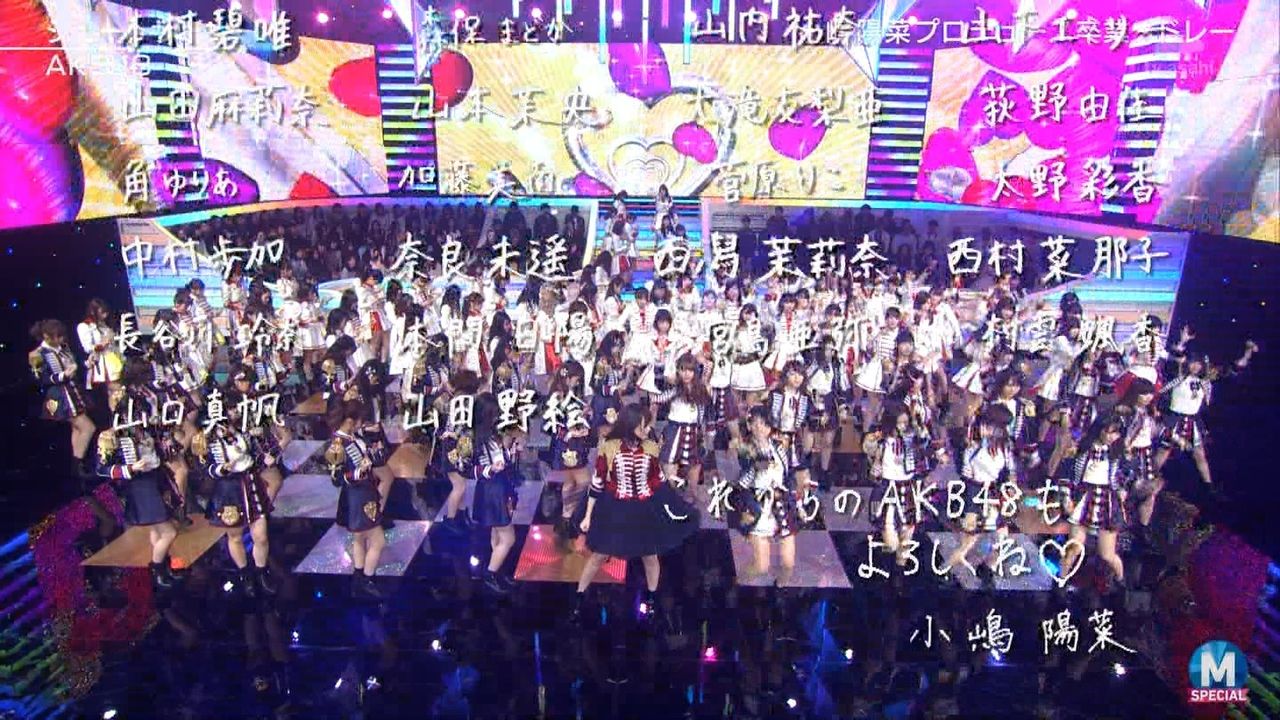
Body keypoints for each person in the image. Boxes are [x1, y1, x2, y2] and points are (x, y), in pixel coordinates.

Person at [572, 404, 698, 622]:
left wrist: (675, 505)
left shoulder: (650, 447)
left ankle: (652, 598)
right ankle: (579, 596)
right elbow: (598, 481)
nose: (648, 429)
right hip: (615, 507)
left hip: (644, 507)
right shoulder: (609, 447)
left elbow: (658, 480)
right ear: (631, 426)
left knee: (650, 555)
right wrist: (588, 515)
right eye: (644, 426)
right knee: (599, 554)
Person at [326, 400, 388, 599]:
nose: (362, 423)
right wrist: (359, 472)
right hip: (358, 497)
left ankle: (359, 577)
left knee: (359, 538)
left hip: (365, 492)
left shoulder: (352, 437)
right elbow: (336, 479)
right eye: (360, 420)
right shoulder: (338, 445)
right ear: (350, 421)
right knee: (378, 540)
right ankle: (367, 579)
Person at [734, 405, 799, 587]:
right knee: (761, 566)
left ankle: (780, 590)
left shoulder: (779, 447)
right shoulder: (745, 448)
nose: (759, 428)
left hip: (781, 504)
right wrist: (756, 467)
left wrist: (796, 500)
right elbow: (743, 481)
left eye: (763, 424)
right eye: (755, 424)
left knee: (788, 564)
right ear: (749, 425)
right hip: (757, 506)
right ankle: (738, 583)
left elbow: (788, 474)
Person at [470, 393, 521, 594]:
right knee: (508, 538)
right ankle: (490, 573)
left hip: (496, 487)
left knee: (497, 532)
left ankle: (496, 569)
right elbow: (471, 468)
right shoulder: (478, 439)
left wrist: (509, 450)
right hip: (493, 490)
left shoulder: (488, 434)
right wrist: (491, 468)